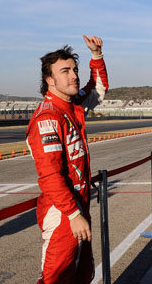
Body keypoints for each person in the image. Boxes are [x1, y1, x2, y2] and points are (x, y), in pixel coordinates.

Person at [26, 35, 109, 284]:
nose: (74, 75)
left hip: (77, 205)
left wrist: (96, 56)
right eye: (65, 71)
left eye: (75, 69)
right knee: (57, 278)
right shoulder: (48, 118)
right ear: (49, 80)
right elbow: (50, 176)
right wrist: (73, 214)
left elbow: (98, 90)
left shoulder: (71, 106)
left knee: (82, 274)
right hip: (62, 211)